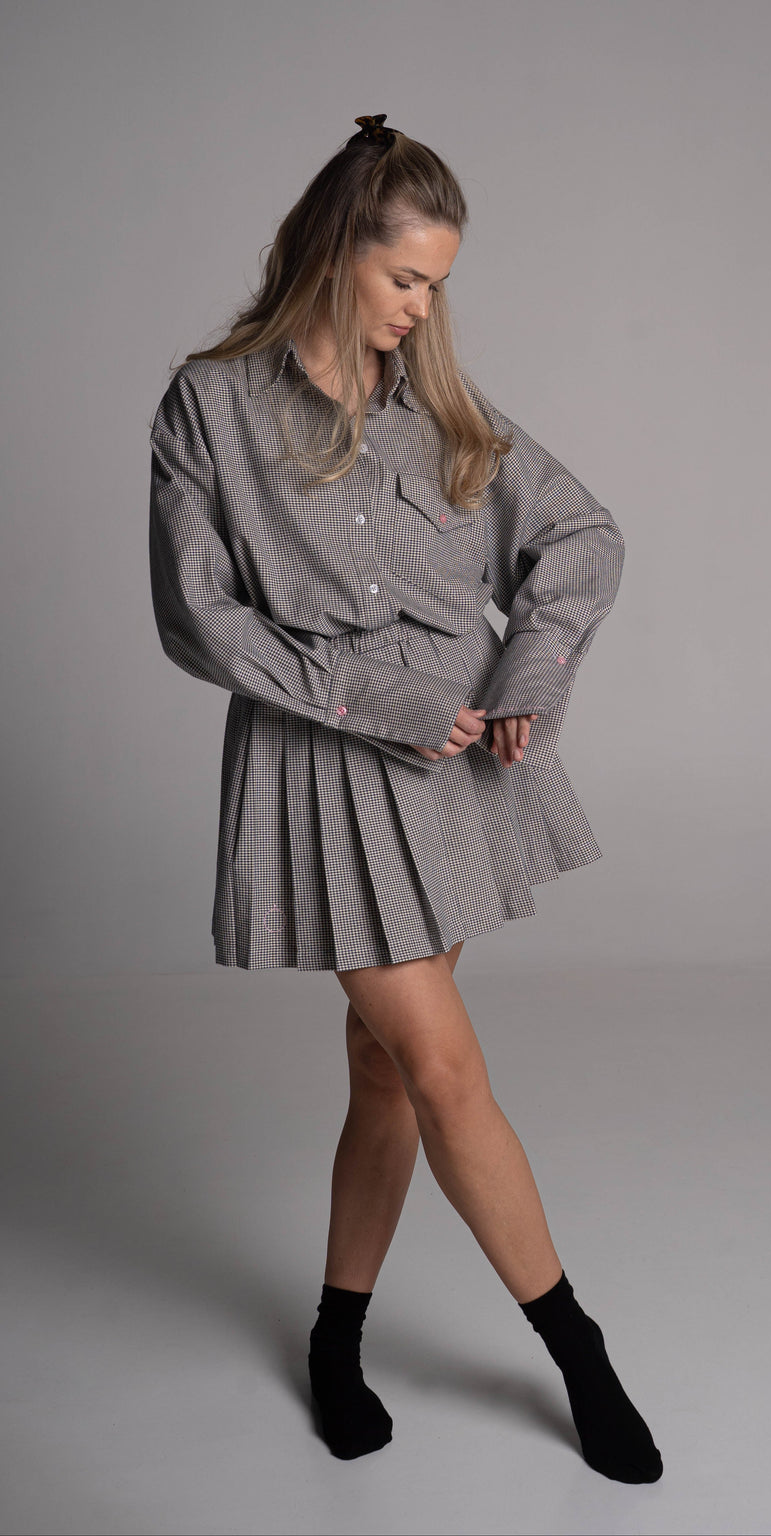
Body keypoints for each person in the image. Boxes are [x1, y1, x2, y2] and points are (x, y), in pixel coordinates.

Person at [148, 112, 661, 1484]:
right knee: (442, 1069)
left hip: (448, 767)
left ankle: (334, 1334)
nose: (422, 308)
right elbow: (198, 617)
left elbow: (580, 532)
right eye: (406, 279)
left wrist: (529, 672)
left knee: (382, 1071)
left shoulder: (430, 400)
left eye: (437, 283)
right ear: (337, 253)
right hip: (322, 769)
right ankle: (578, 1350)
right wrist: (373, 700)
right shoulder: (212, 405)